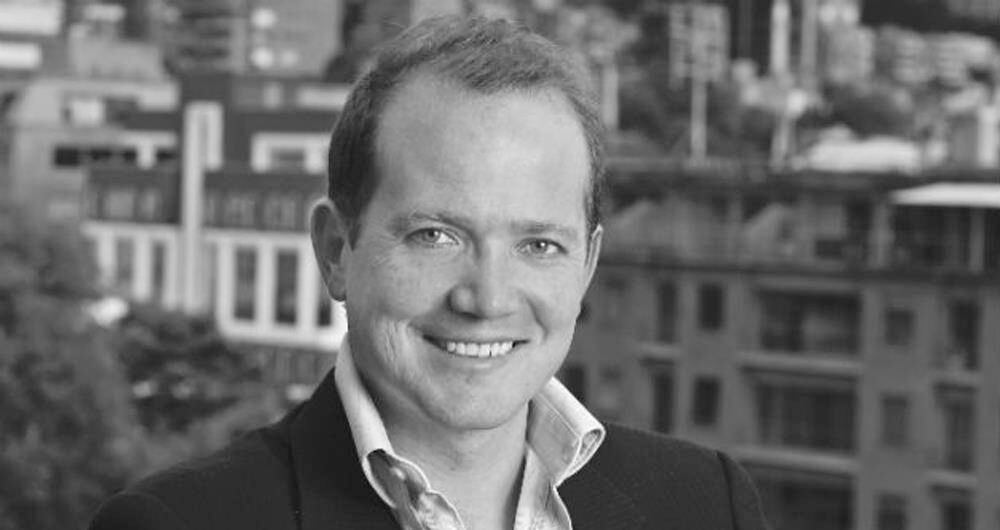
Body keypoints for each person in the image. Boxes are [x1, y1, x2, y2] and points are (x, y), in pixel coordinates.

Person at [90, 15, 768, 530]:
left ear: (587, 264)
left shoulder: (707, 505)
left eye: (538, 245)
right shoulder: (177, 522)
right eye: (436, 236)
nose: (487, 298)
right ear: (336, 250)